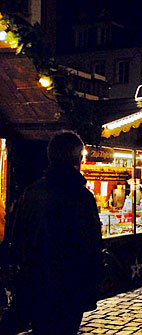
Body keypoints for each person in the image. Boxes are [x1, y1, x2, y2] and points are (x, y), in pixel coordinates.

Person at [8, 131, 103, 335]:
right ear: (78, 159)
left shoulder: (32, 192)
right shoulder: (81, 196)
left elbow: (17, 239)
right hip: (70, 285)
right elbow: (91, 245)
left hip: (36, 282)